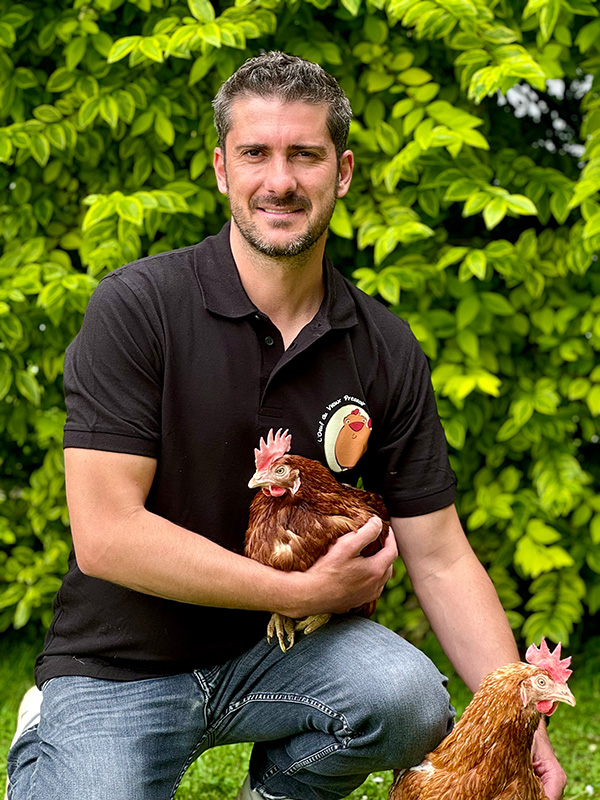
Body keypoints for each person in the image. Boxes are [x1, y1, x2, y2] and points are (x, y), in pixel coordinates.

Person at [6, 51, 566, 800]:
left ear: (343, 171)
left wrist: (523, 721)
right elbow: (106, 534)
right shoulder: (139, 308)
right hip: (121, 662)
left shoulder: (383, 345)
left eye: (305, 154)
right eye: (255, 154)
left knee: (409, 699)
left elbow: (438, 556)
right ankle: (49, 730)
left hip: (282, 655)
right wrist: (298, 591)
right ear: (220, 169)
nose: (279, 181)